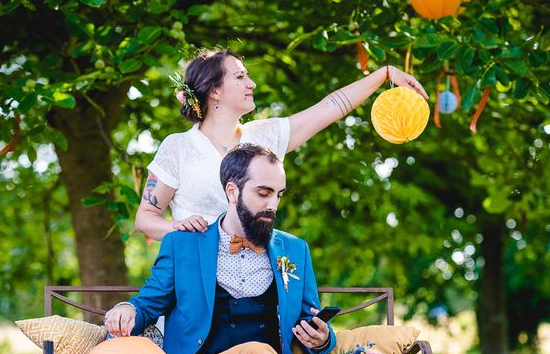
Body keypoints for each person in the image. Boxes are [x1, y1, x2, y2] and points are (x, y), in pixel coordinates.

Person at [105, 144, 360, 354]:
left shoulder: (295, 250)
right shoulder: (183, 243)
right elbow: (147, 303)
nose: (273, 205)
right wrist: (128, 308)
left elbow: (311, 320)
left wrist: (322, 338)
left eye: (279, 195)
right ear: (232, 190)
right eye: (263, 193)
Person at [135, 48, 428, 241]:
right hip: (193, 281)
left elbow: (331, 106)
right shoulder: (177, 148)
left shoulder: (264, 136)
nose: (252, 84)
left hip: (254, 282)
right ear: (214, 91)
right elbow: (146, 218)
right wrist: (178, 228)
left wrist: (385, 73)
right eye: (240, 76)